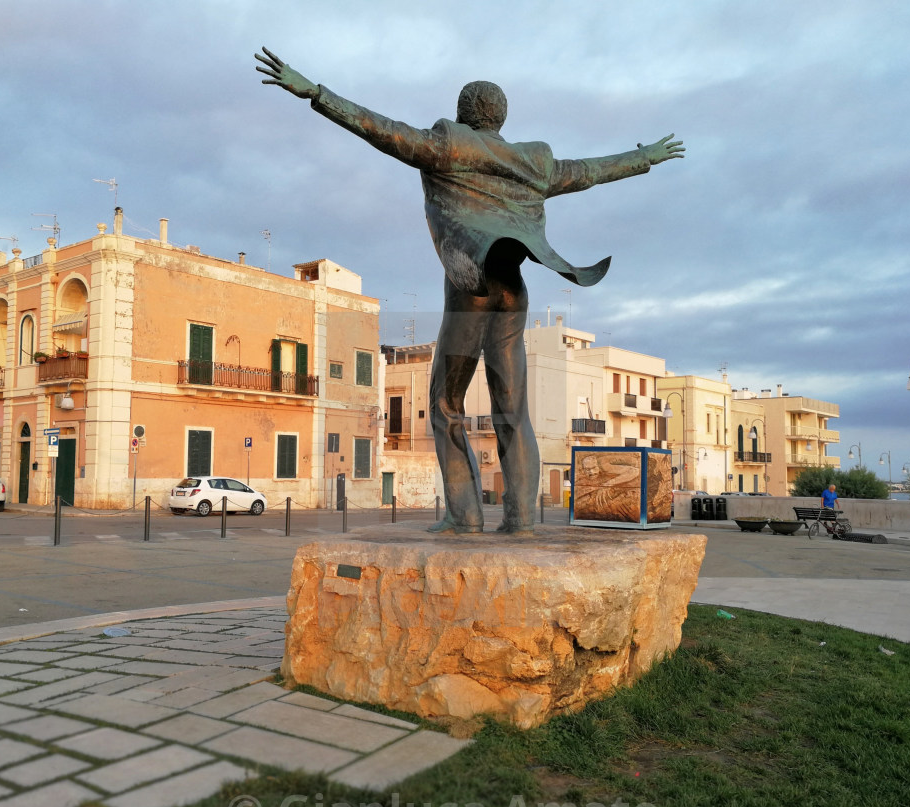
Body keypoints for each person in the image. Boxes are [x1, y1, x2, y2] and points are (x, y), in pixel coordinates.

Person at [255, 48, 684, 534]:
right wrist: (644, 157)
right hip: (513, 292)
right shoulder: (535, 162)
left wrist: (315, 92)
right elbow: (590, 171)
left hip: (470, 290)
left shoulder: (447, 145)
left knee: (444, 404)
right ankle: (521, 520)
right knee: (512, 411)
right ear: (500, 118)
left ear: (463, 113)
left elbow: (379, 129)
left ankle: (465, 517)